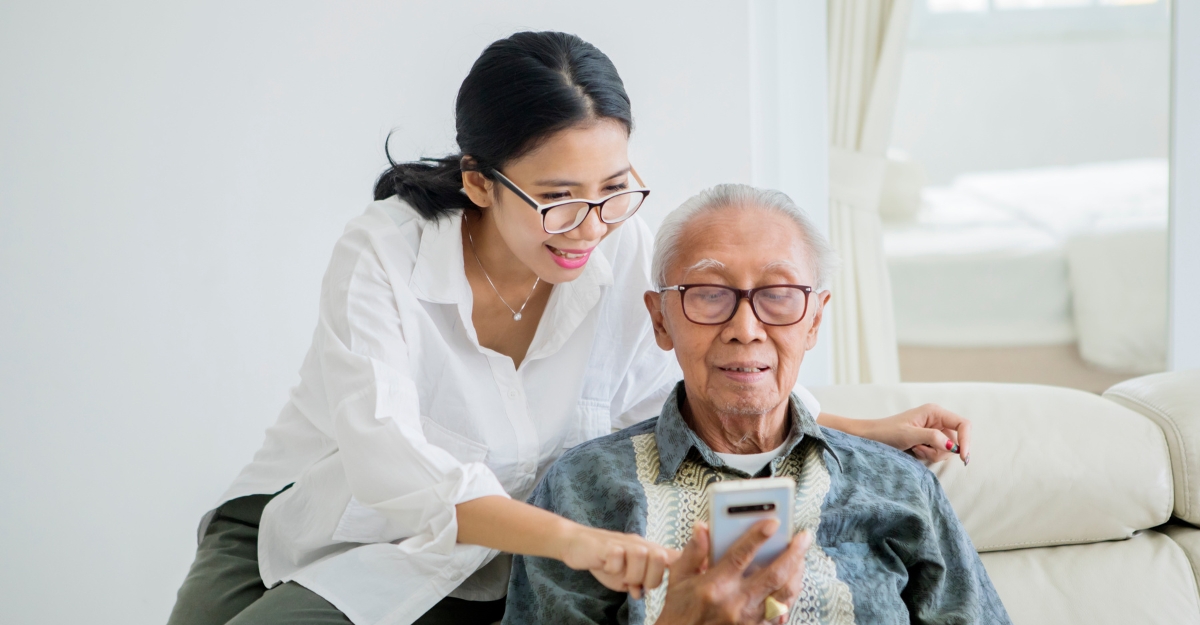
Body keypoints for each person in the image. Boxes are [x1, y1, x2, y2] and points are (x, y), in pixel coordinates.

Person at [167, 32, 973, 625]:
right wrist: (574, 542)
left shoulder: (619, 250)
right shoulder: (384, 253)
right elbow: (390, 466)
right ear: (479, 183)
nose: (590, 226)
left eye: (613, 188)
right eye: (557, 198)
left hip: (493, 557)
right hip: (326, 512)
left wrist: (862, 428)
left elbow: (688, 378)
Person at [504, 184, 1009, 625]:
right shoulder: (580, 489)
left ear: (814, 320)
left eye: (779, 294)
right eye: (708, 294)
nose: (745, 329)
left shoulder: (900, 485)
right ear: (660, 320)